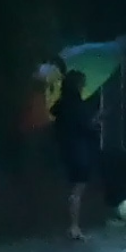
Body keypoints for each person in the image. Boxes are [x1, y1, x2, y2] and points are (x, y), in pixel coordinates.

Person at [49, 69, 99, 240]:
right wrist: (95, 122)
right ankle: (74, 226)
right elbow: (86, 128)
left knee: (69, 189)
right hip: (79, 151)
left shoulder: (61, 105)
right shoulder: (79, 106)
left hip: (63, 150)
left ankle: (68, 224)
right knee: (77, 191)